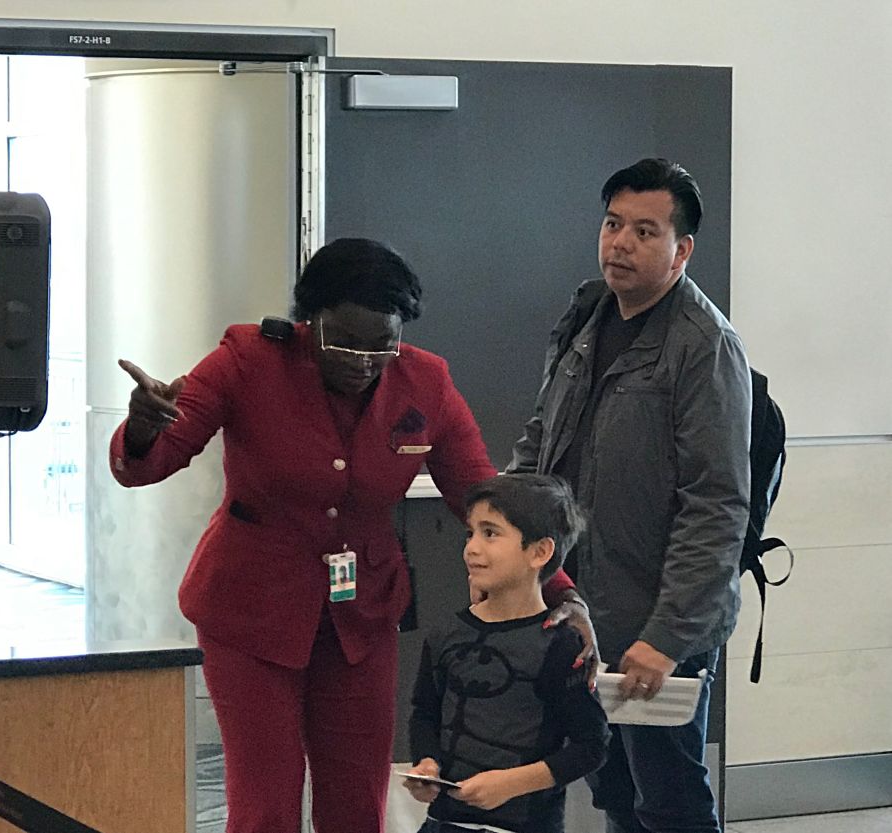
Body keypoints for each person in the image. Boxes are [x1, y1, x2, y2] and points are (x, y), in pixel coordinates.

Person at [109, 238, 594, 833]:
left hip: (360, 614)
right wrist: (140, 430)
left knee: (358, 802)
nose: (364, 360)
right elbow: (150, 463)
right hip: (250, 611)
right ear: (307, 323)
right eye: (344, 341)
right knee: (266, 807)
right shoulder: (246, 359)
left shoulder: (425, 382)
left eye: (382, 345)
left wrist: (561, 591)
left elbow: (485, 497)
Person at [508, 159, 752, 833]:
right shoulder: (587, 315)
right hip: (584, 610)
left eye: (645, 231)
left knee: (670, 798)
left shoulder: (704, 346)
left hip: (659, 622)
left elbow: (717, 503)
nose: (620, 243)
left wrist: (667, 637)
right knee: (610, 784)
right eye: (613, 224)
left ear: (682, 250)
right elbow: (542, 440)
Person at [404, 473, 609, 833]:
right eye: (471, 533)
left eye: (491, 533)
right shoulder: (446, 633)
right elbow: (425, 713)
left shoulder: (559, 645)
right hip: (444, 823)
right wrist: (427, 765)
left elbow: (590, 746)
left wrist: (511, 784)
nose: (472, 548)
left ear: (540, 552)